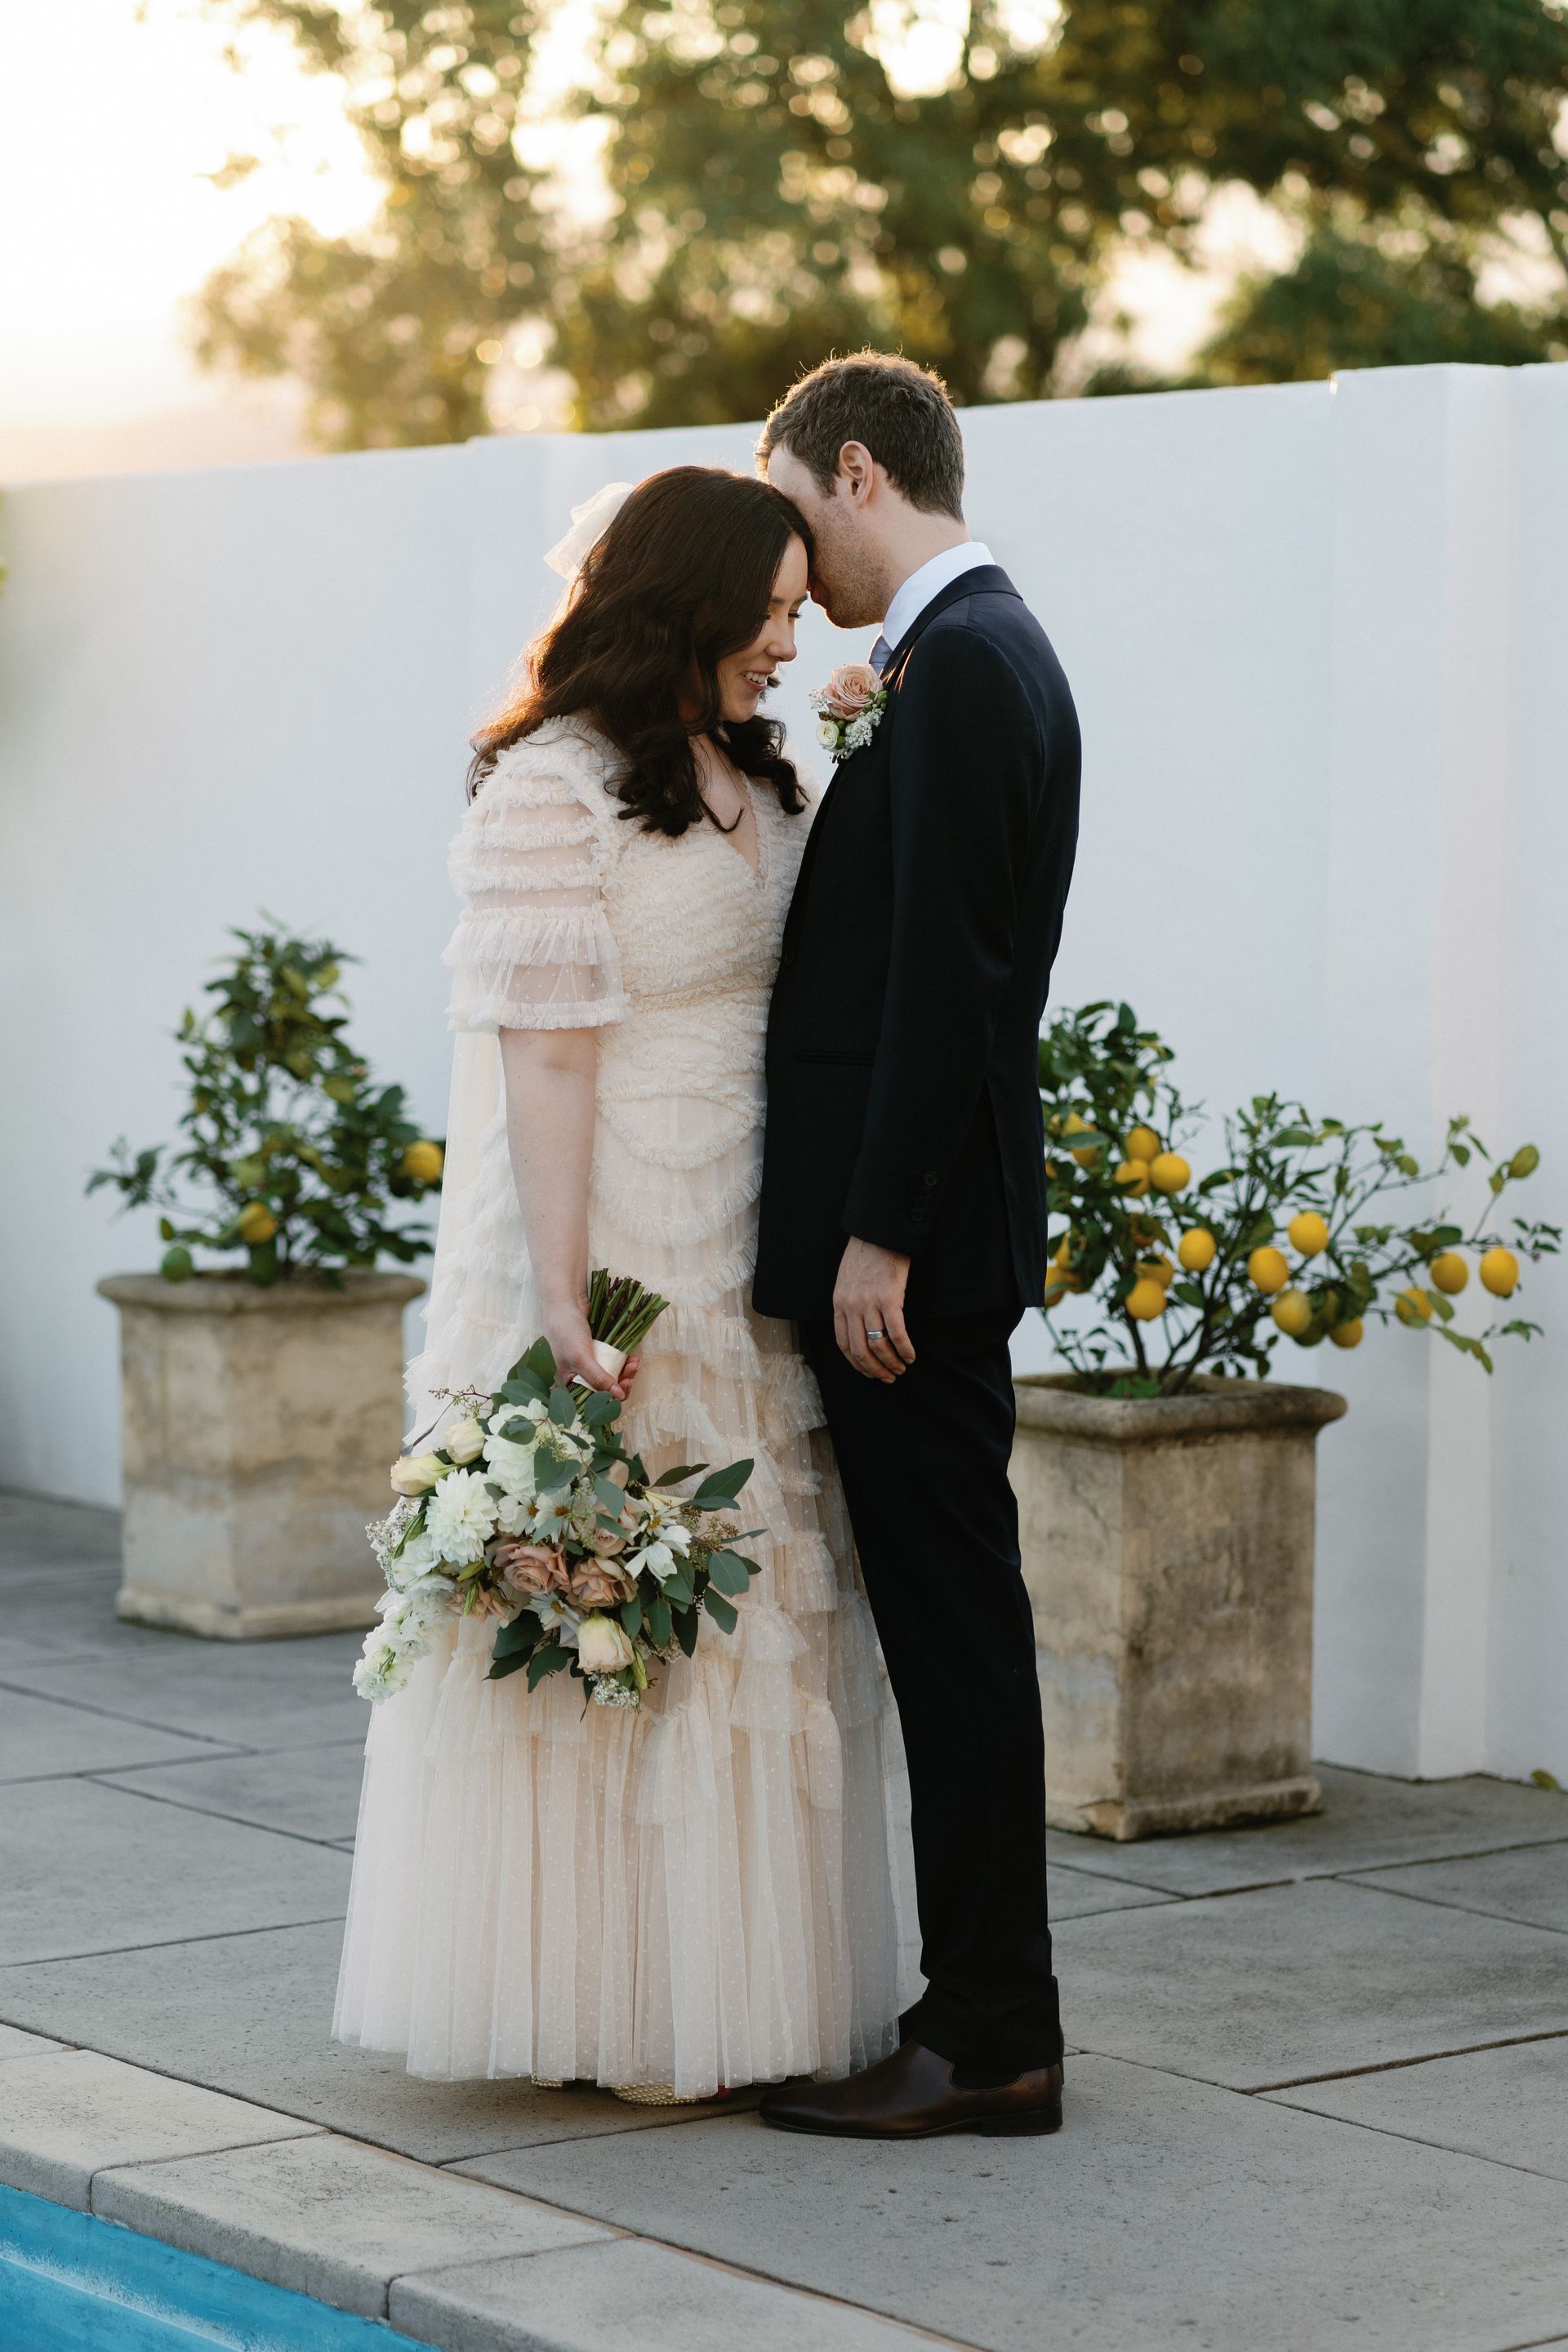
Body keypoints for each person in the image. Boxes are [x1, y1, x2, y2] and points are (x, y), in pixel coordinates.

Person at [334, 466, 902, 2100]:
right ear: (686, 598)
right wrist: (567, 1300)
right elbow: (549, 1065)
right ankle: (595, 1996)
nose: (793, 640)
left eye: (803, 610)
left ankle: (729, 1990)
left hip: (753, 1220)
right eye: (775, 610)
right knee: (612, 1585)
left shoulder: (760, 765)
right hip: (613, 1221)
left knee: (751, 1605)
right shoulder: (548, 786)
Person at [753, 353, 1081, 2138]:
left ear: (858, 472)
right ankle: (984, 2010)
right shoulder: (977, 650)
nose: (794, 578)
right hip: (927, 1246)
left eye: (799, 519)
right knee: (957, 1629)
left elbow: (953, 984)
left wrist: (876, 1233)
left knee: (957, 1638)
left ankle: (991, 2038)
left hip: (914, 1263)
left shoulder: (960, 664)